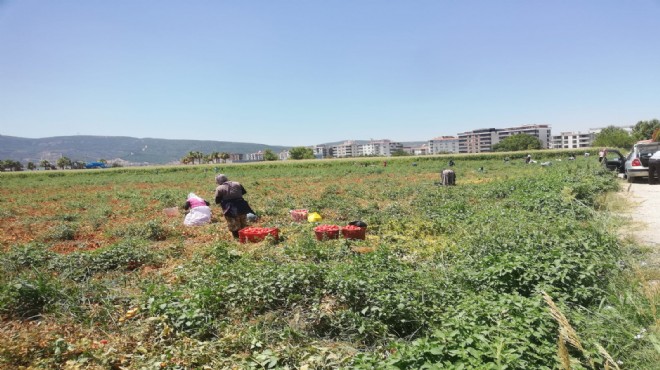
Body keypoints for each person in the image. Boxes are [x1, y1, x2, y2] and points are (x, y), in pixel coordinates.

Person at [214, 174, 255, 238]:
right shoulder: (237, 183)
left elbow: (217, 201)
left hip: (230, 208)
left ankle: (237, 238)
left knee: (233, 224)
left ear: (219, 181)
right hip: (242, 205)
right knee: (243, 222)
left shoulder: (219, 188)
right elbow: (243, 192)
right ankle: (246, 236)